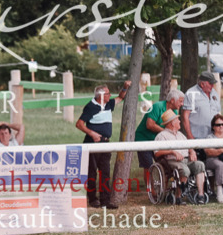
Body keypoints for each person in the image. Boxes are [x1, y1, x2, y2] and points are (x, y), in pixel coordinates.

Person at [75, 81, 130, 209]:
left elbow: (120, 97)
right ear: (100, 96)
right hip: (93, 143)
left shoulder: (108, 104)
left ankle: (105, 200)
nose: (110, 95)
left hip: (105, 143)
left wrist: (125, 87)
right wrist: (92, 134)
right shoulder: (91, 107)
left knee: (105, 171)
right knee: (92, 172)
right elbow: (79, 124)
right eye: (107, 93)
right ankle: (92, 199)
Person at [153, 109, 207, 205]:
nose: (179, 121)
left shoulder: (180, 135)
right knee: (184, 169)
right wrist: (172, 152)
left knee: (200, 165)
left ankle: (201, 195)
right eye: (177, 120)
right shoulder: (162, 136)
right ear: (172, 123)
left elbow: (188, 146)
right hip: (171, 161)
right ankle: (179, 196)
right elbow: (157, 153)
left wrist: (192, 151)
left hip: (185, 160)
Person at [134, 89, 185, 178]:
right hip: (144, 138)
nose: (182, 104)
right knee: (148, 165)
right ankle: (149, 186)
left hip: (158, 140)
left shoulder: (174, 112)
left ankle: (162, 184)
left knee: (164, 163)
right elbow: (150, 125)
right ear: (172, 100)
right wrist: (166, 133)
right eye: (180, 101)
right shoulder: (157, 106)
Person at [181, 71, 221, 141]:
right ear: (202, 84)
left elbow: (218, 112)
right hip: (197, 137)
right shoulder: (191, 93)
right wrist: (189, 135)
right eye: (210, 84)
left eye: (213, 84)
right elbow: (185, 116)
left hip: (214, 136)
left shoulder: (214, 93)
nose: (212, 86)